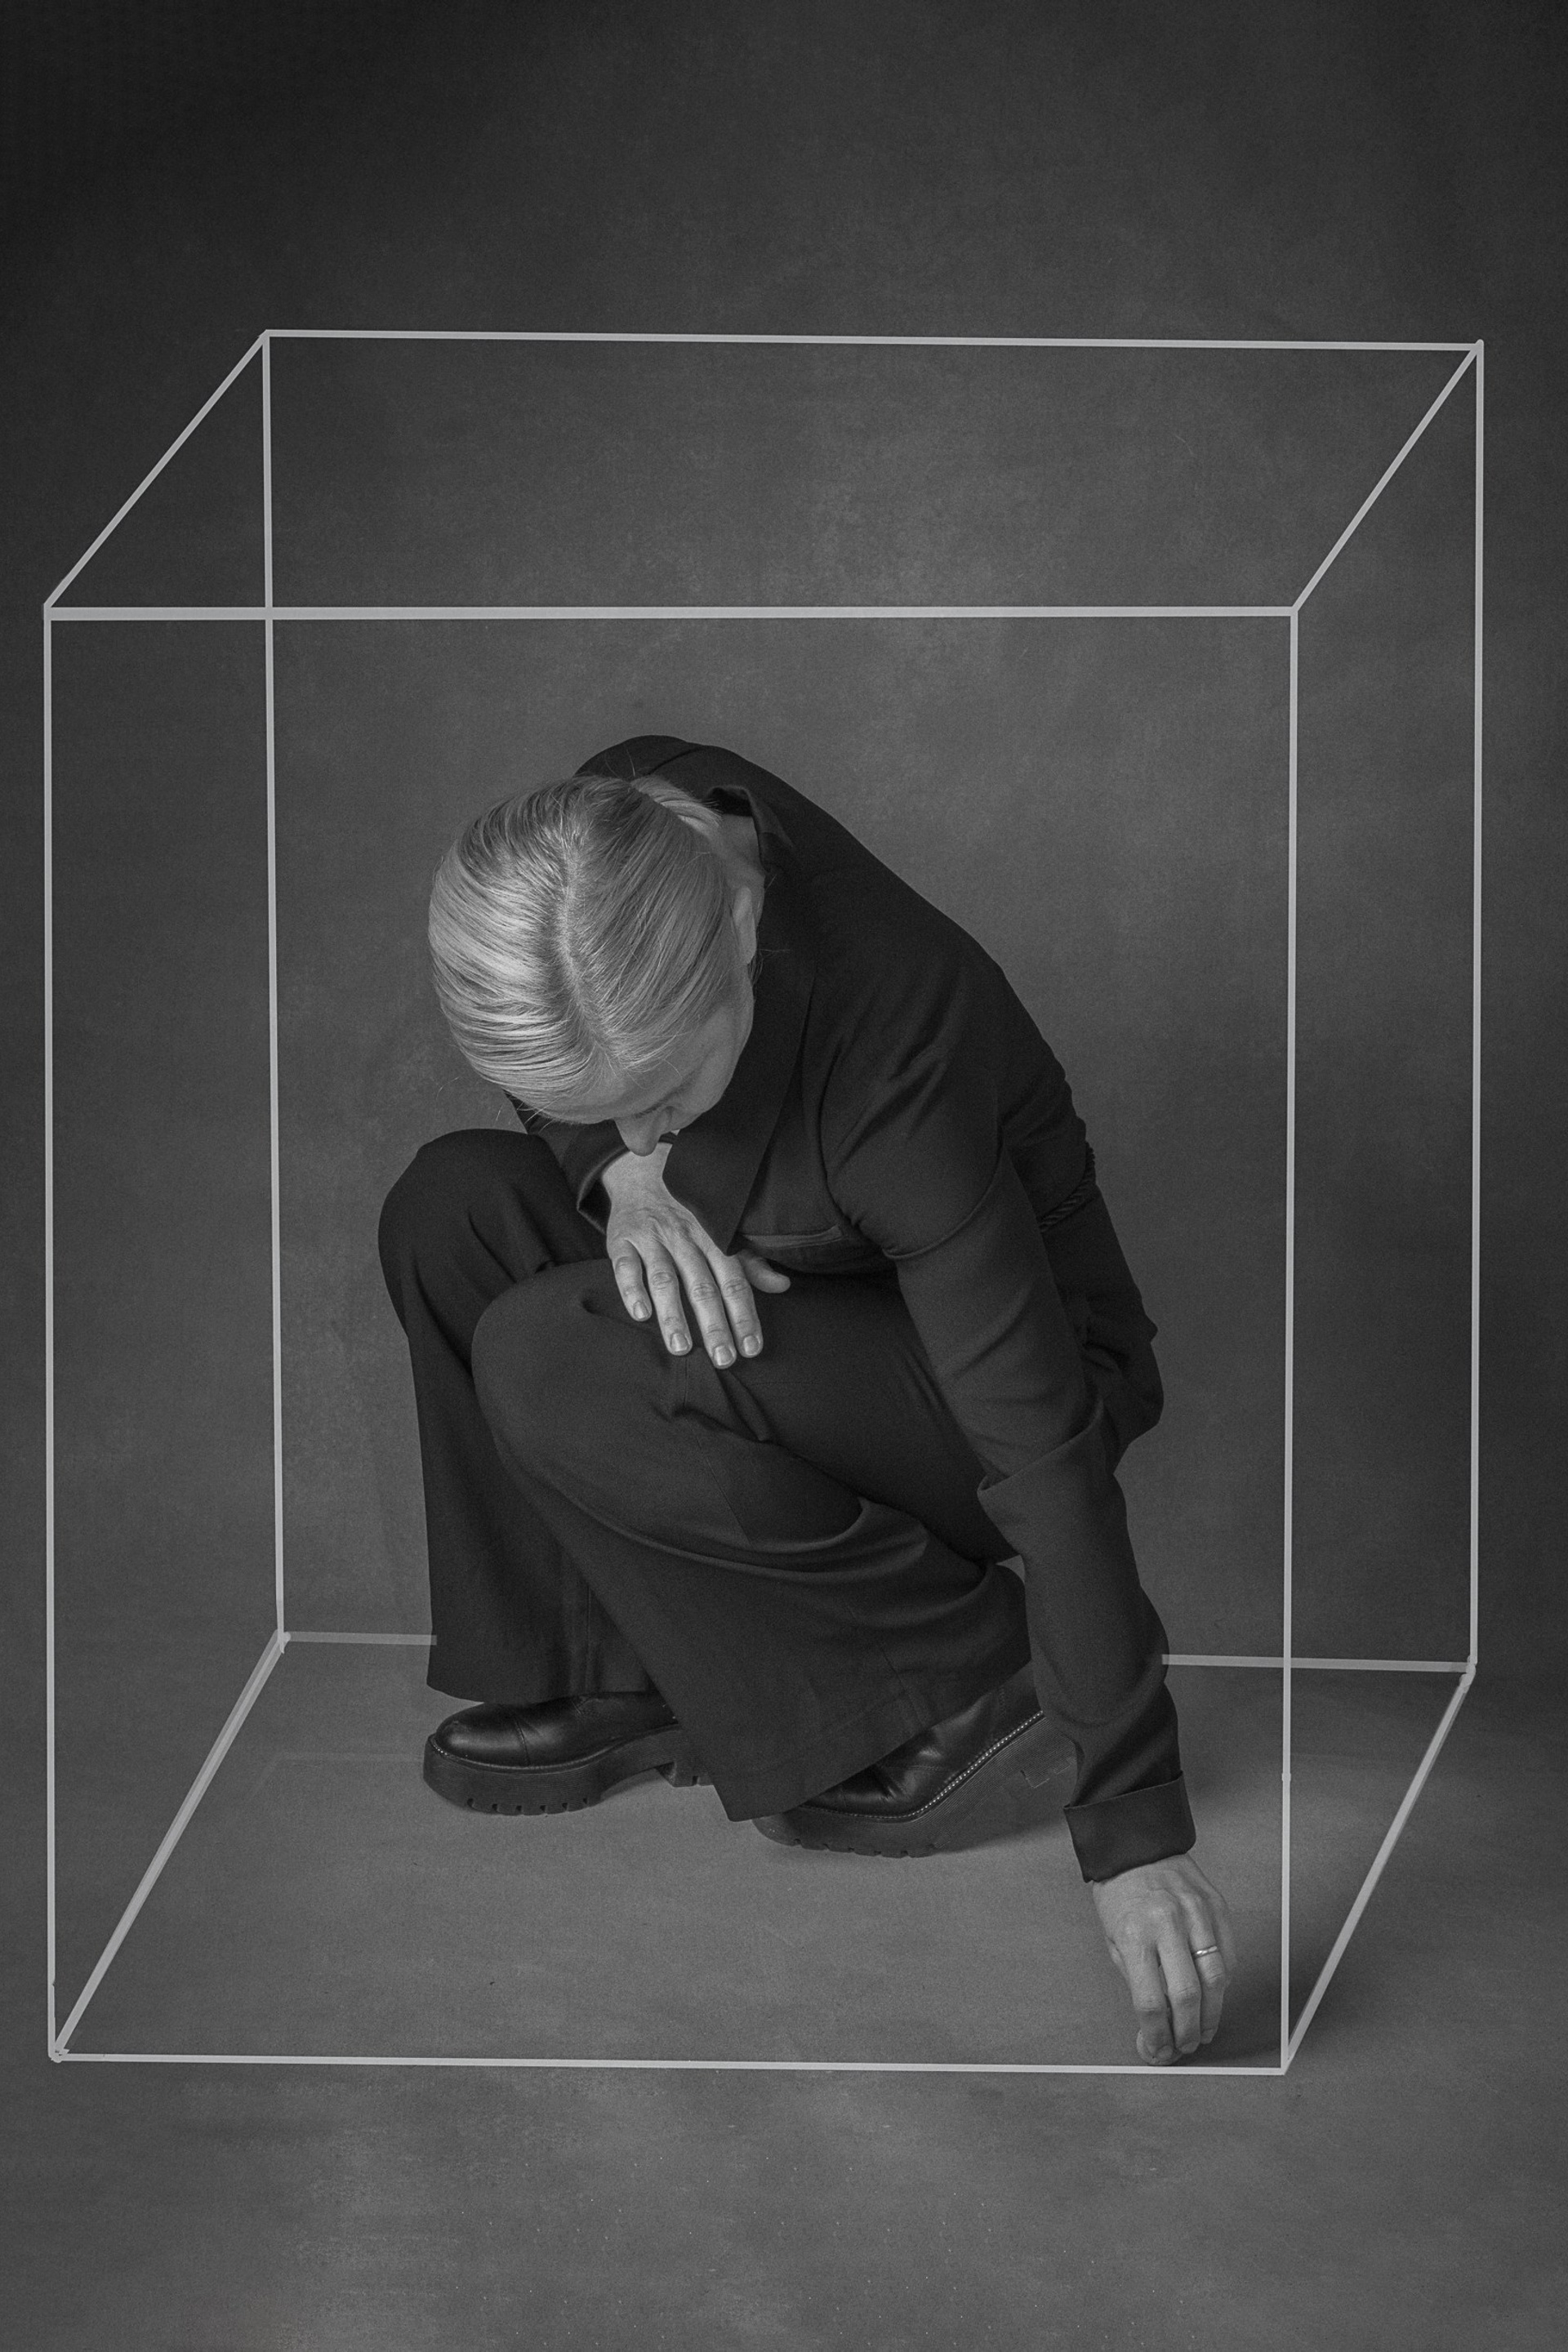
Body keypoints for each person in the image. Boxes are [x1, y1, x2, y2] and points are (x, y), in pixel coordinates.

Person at [378, 733, 1236, 2065]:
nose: (650, 1131)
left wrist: (1134, 1827)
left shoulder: (898, 1058)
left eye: (662, 1097)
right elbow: (581, 1089)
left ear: (740, 937)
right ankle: (620, 1675)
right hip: (800, 1273)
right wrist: (622, 1170)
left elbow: (1044, 1449)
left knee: (554, 1349)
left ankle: (972, 1673)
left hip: (983, 1378)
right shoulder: (603, 849)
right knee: (452, 1208)